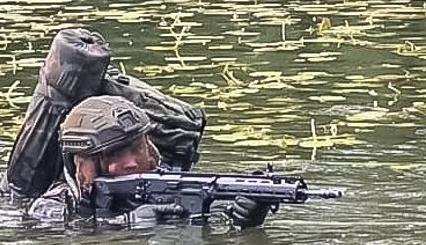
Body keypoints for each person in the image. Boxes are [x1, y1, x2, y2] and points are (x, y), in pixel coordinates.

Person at [24, 94, 271, 228]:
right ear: (82, 164)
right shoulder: (54, 205)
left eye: (136, 148)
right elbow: (60, 234)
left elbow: (204, 223)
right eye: (114, 154)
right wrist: (127, 223)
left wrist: (241, 214)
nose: (131, 162)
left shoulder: (165, 186)